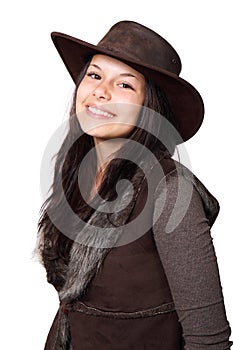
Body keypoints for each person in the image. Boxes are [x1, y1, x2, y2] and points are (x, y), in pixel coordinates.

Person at [36, 21, 232, 349]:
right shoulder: (75, 173)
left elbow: (208, 340)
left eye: (124, 85)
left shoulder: (170, 191)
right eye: (94, 75)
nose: (100, 91)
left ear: (148, 108)